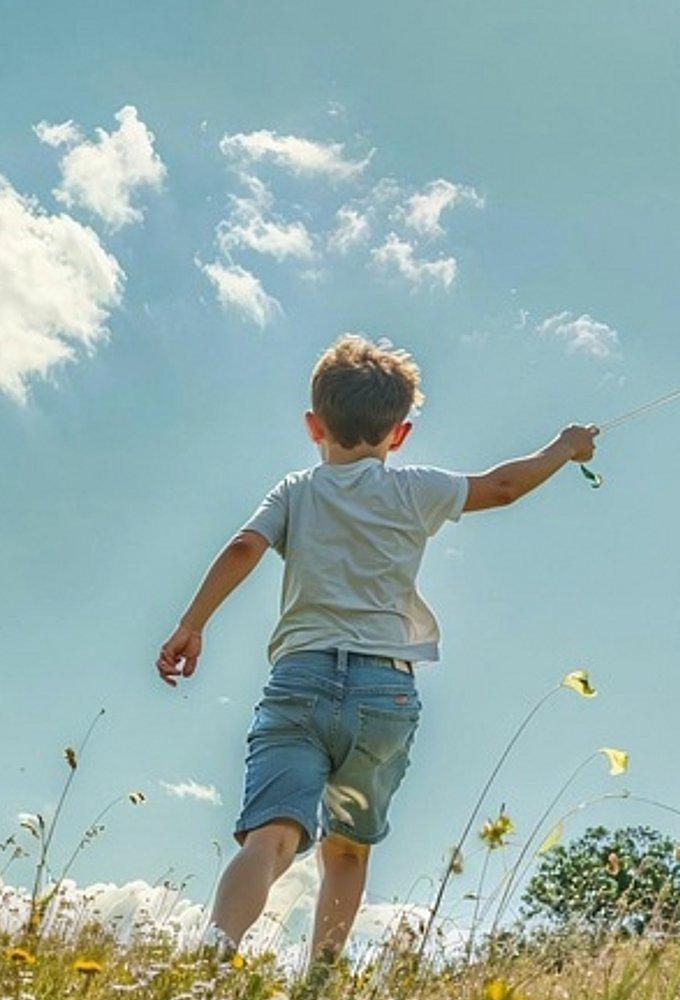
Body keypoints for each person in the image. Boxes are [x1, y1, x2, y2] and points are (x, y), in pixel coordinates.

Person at [156, 333, 597, 963]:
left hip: (301, 681)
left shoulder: (295, 491)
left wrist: (192, 623)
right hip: (384, 693)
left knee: (271, 838)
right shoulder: (416, 489)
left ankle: (212, 955)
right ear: (400, 434)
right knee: (347, 849)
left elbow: (242, 548)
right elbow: (501, 487)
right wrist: (564, 447)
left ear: (314, 425)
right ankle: (319, 988)